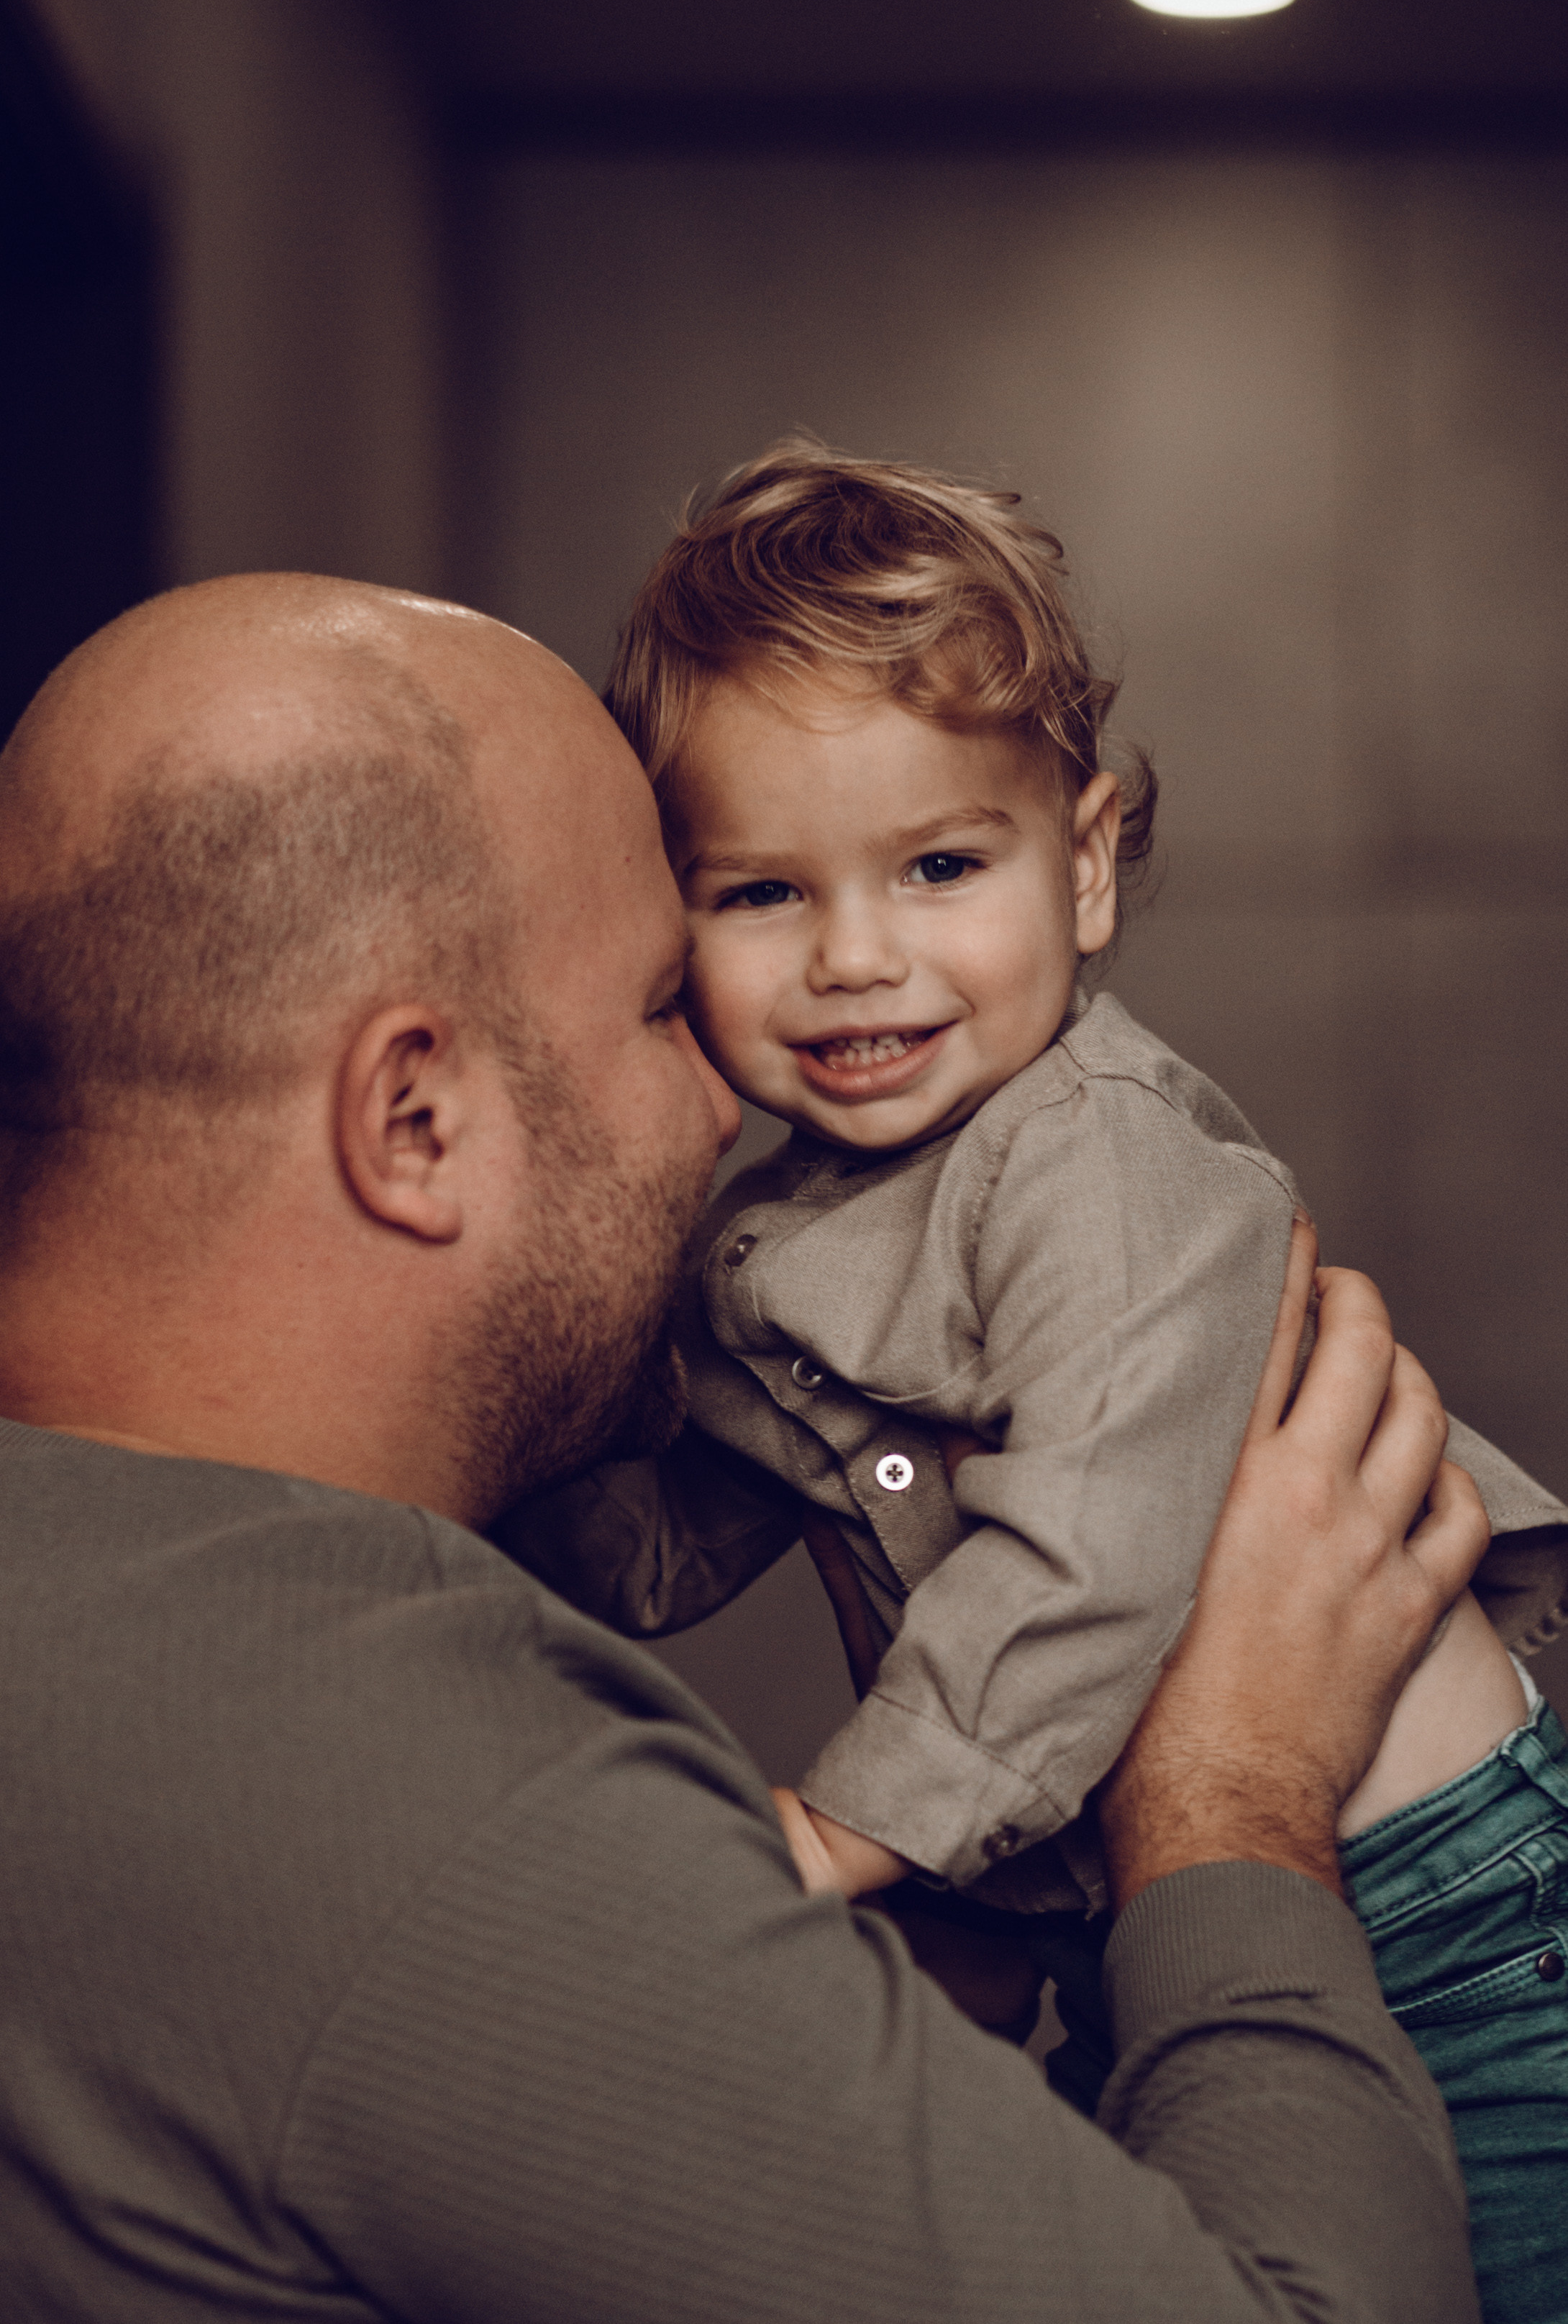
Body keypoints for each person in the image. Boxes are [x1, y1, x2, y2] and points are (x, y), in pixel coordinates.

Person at [0, 572, 1488, 2323]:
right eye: (664, 1001)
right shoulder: (434, 1816)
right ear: (412, 1117)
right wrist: (1227, 1785)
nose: (725, 1104)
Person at [510, 445, 1568, 2324]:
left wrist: (836, 1833)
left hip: (1455, 1916)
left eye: (939, 866)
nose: (854, 959)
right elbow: (673, 1531)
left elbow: (1086, 1556)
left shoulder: (1099, 1164)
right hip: (1180, 1908)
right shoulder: (785, 1234)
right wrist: (467, 1490)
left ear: (1079, 867)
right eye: (760, 891)